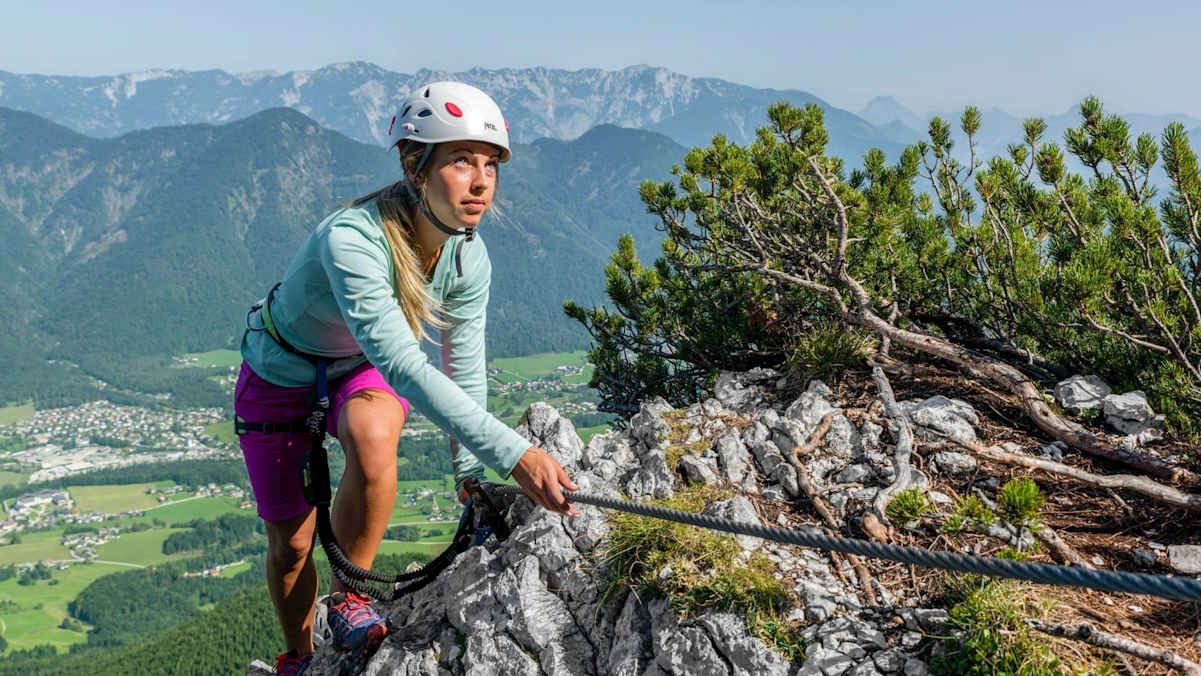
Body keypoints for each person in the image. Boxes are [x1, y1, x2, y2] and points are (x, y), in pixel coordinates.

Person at [233, 81, 580, 676]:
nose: (480, 181)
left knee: (372, 438)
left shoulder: (469, 258)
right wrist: (514, 455)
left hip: (356, 369)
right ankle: (298, 656)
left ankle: (348, 599)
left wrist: (472, 478)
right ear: (415, 168)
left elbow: (462, 362)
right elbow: (403, 363)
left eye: (490, 164)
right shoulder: (354, 240)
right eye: (460, 162)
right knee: (290, 546)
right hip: (279, 371)